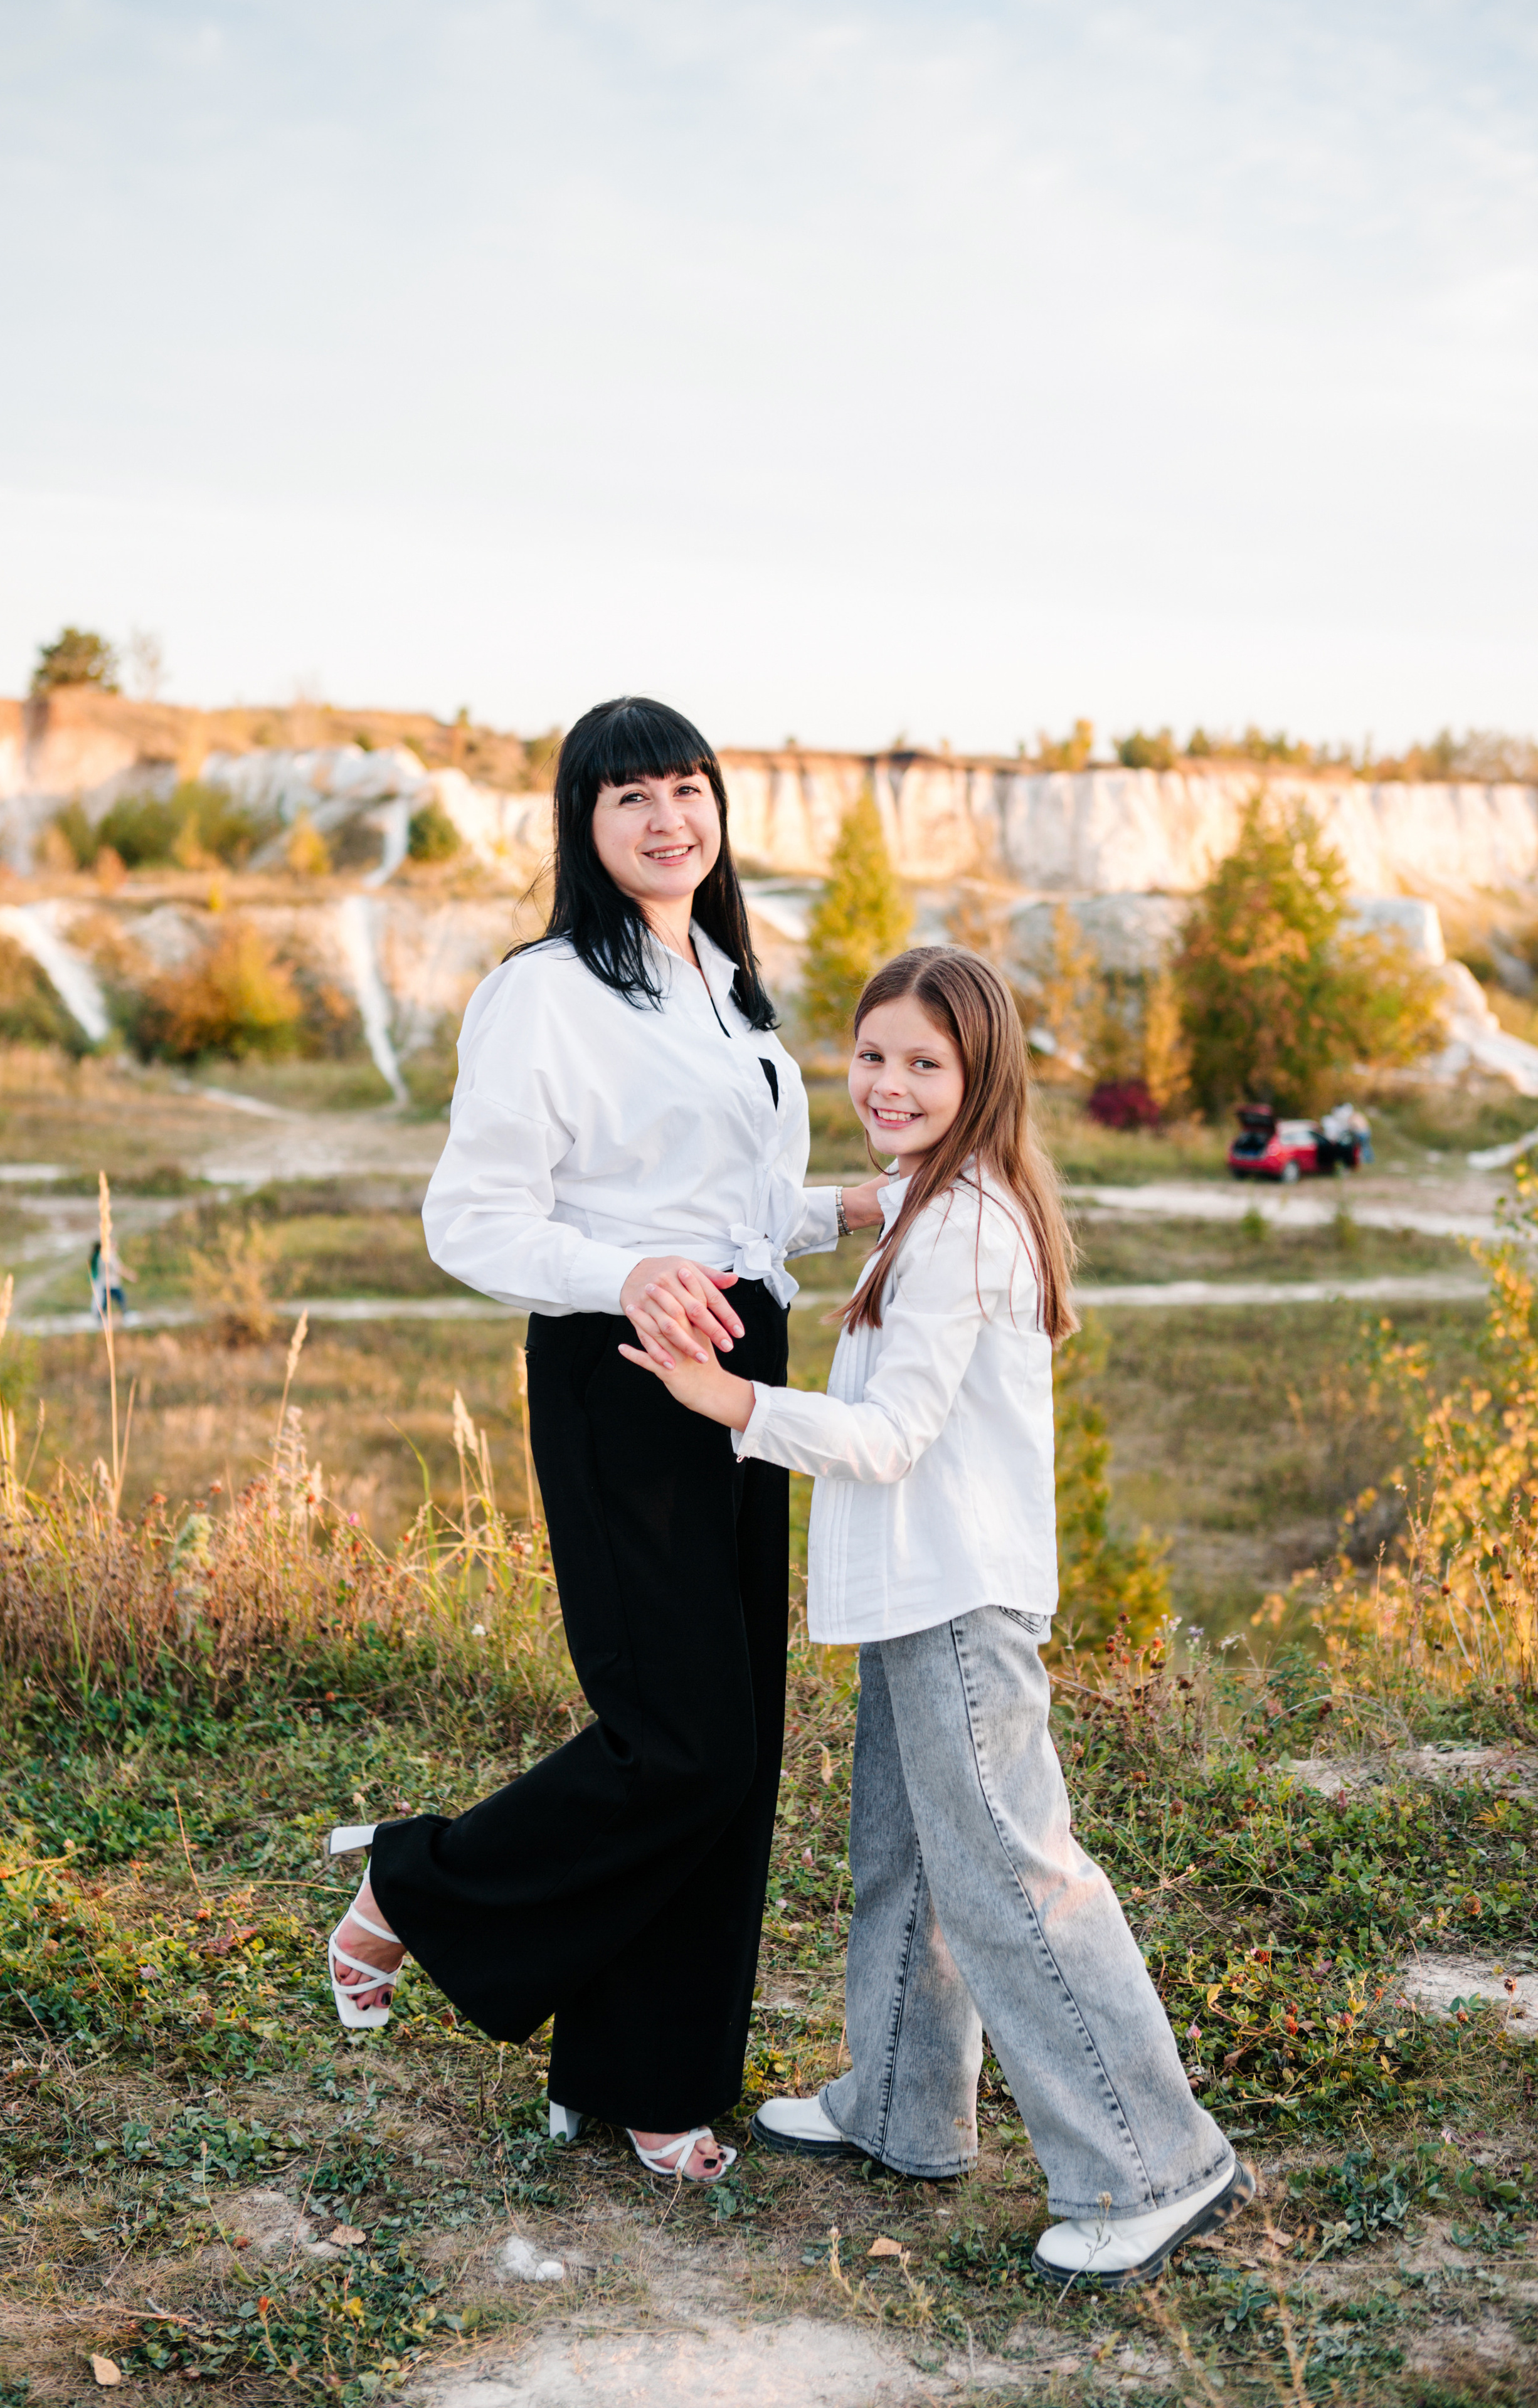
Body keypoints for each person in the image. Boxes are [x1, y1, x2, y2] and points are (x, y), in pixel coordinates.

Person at [618, 946, 1253, 2284]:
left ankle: (1156, 2165)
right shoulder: (920, 1194)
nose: (887, 1085)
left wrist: (731, 1406)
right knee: (904, 1863)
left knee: (1012, 1880)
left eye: (923, 1064)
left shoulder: (963, 1220)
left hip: (959, 1594)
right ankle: (902, 2106)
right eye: (869, 1057)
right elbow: (810, 1208)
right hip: (916, 1594)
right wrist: (732, 1230)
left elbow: (895, 1434)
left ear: (978, 1078)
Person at [321, 697, 887, 2184]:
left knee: (734, 1745)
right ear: (582, 823)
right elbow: (473, 1216)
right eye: (627, 795)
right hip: (618, 1365)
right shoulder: (547, 990)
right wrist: (619, 1274)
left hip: (738, 1363)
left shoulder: (721, 980)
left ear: (716, 807)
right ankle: (414, 1882)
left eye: (686, 788)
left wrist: (837, 1214)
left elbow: (725, 1205)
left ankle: (648, 2082)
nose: (664, 819)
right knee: (677, 1739)